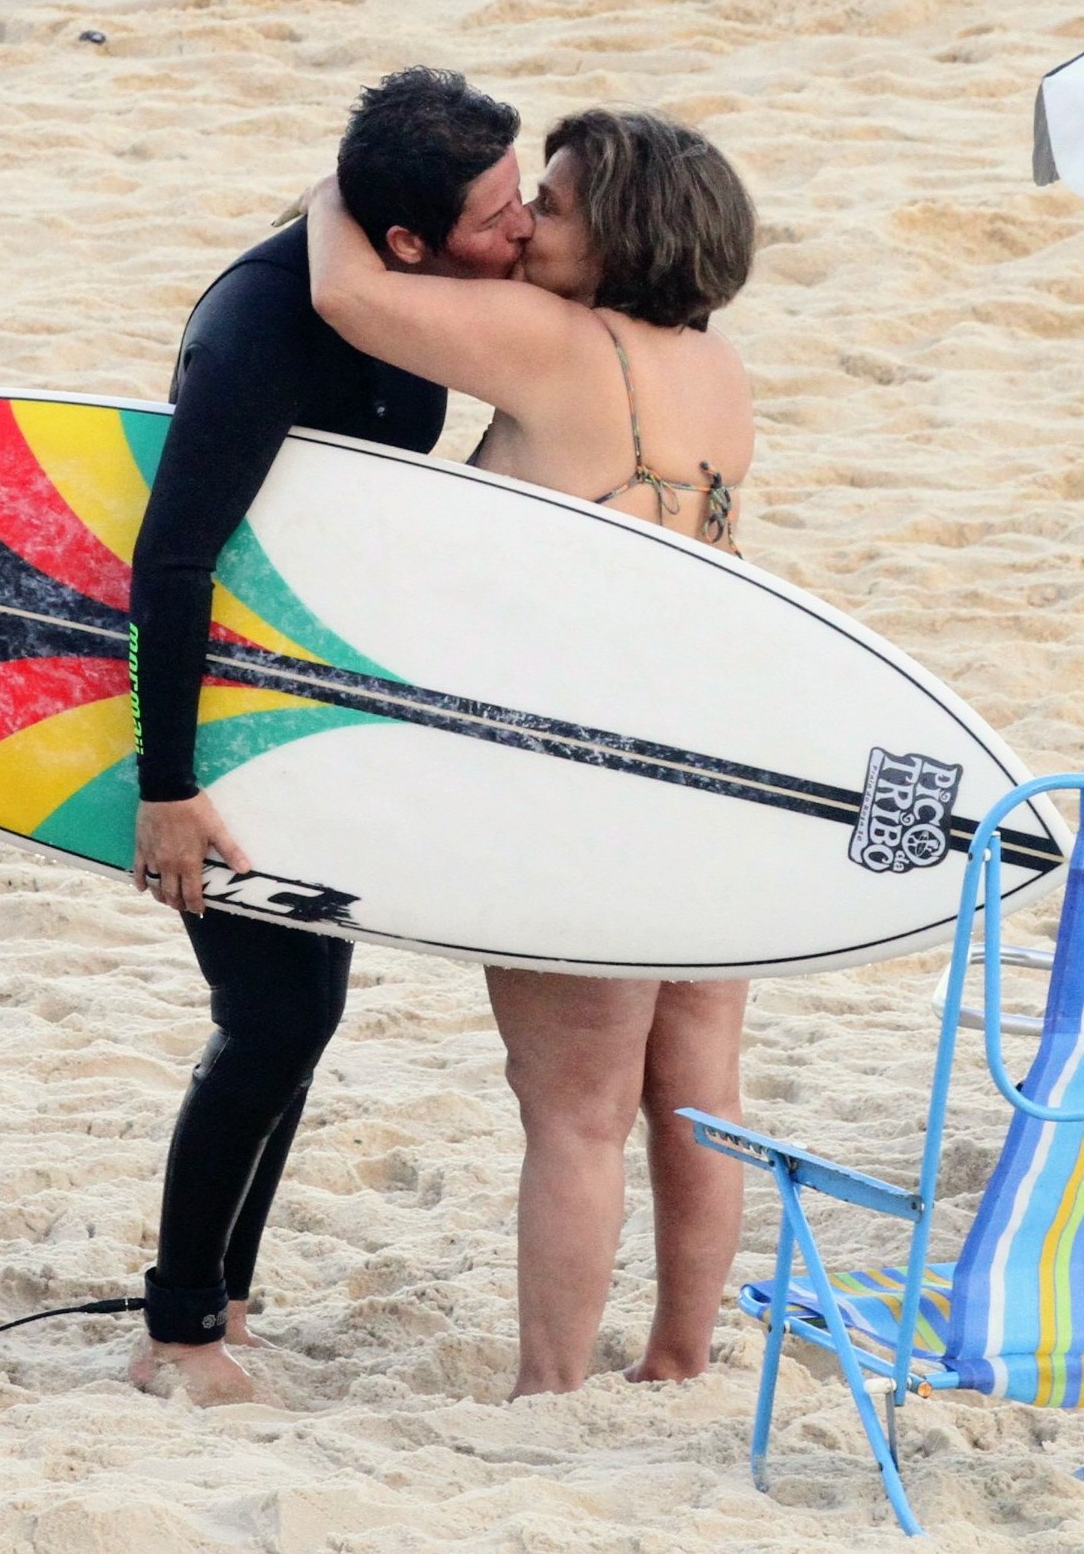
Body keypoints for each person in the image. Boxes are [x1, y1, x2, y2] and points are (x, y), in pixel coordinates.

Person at [307, 106, 757, 1398]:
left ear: (616, 233)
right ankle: (677, 1356)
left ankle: (549, 1390)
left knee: (571, 1107)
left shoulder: (555, 340)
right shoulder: (718, 372)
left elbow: (345, 290)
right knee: (695, 1085)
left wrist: (345, 179)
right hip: (714, 759)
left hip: (586, 778)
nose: (523, 226)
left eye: (548, 205)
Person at [128, 67, 530, 1406]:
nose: (520, 229)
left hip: (314, 693)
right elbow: (172, 556)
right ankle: (176, 1332)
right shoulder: (261, 336)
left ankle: (225, 1295)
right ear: (405, 238)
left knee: (302, 1006)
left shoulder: (417, 279)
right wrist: (166, 787)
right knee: (270, 1009)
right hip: (218, 705)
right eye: (497, 212)